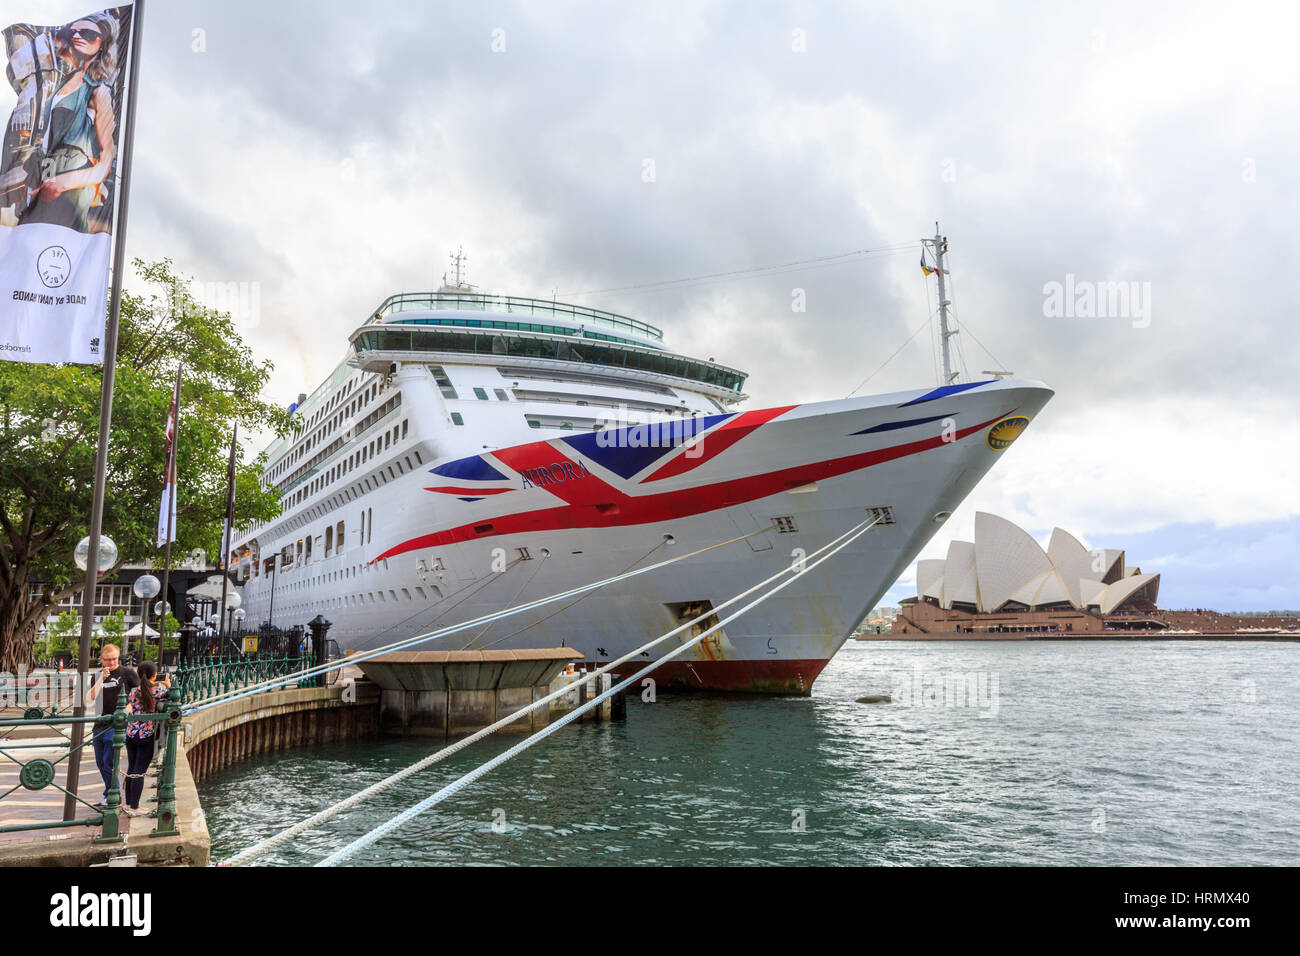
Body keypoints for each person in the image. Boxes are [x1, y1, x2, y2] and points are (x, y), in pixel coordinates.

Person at [22, 12, 120, 233]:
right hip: (43, 175)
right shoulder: (58, 83)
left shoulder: (99, 91)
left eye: (87, 33)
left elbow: (107, 158)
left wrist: (65, 182)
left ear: (102, 44)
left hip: (70, 182)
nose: (77, 36)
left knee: (59, 252)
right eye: (72, 31)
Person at [85, 642, 137, 808]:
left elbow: (140, 693)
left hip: (117, 723)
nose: (112, 663)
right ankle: (109, 793)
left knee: (109, 760)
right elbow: (90, 697)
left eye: (115, 659)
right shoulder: (97, 676)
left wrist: (128, 709)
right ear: (101, 659)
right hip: (100, 722)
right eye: (108, 660)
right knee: (100, 761)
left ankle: (114, 795)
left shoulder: (128, 673)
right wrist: (102, 678)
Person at [121, 661, 170, 816]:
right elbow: (174, 694)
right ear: (154, 675)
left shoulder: (133, 691)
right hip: (146, 736)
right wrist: (167, 684)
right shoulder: (158, 690)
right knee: (139, 772)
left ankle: (128, 803)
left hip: (131, 735)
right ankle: (135, 807)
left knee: (131, 769)